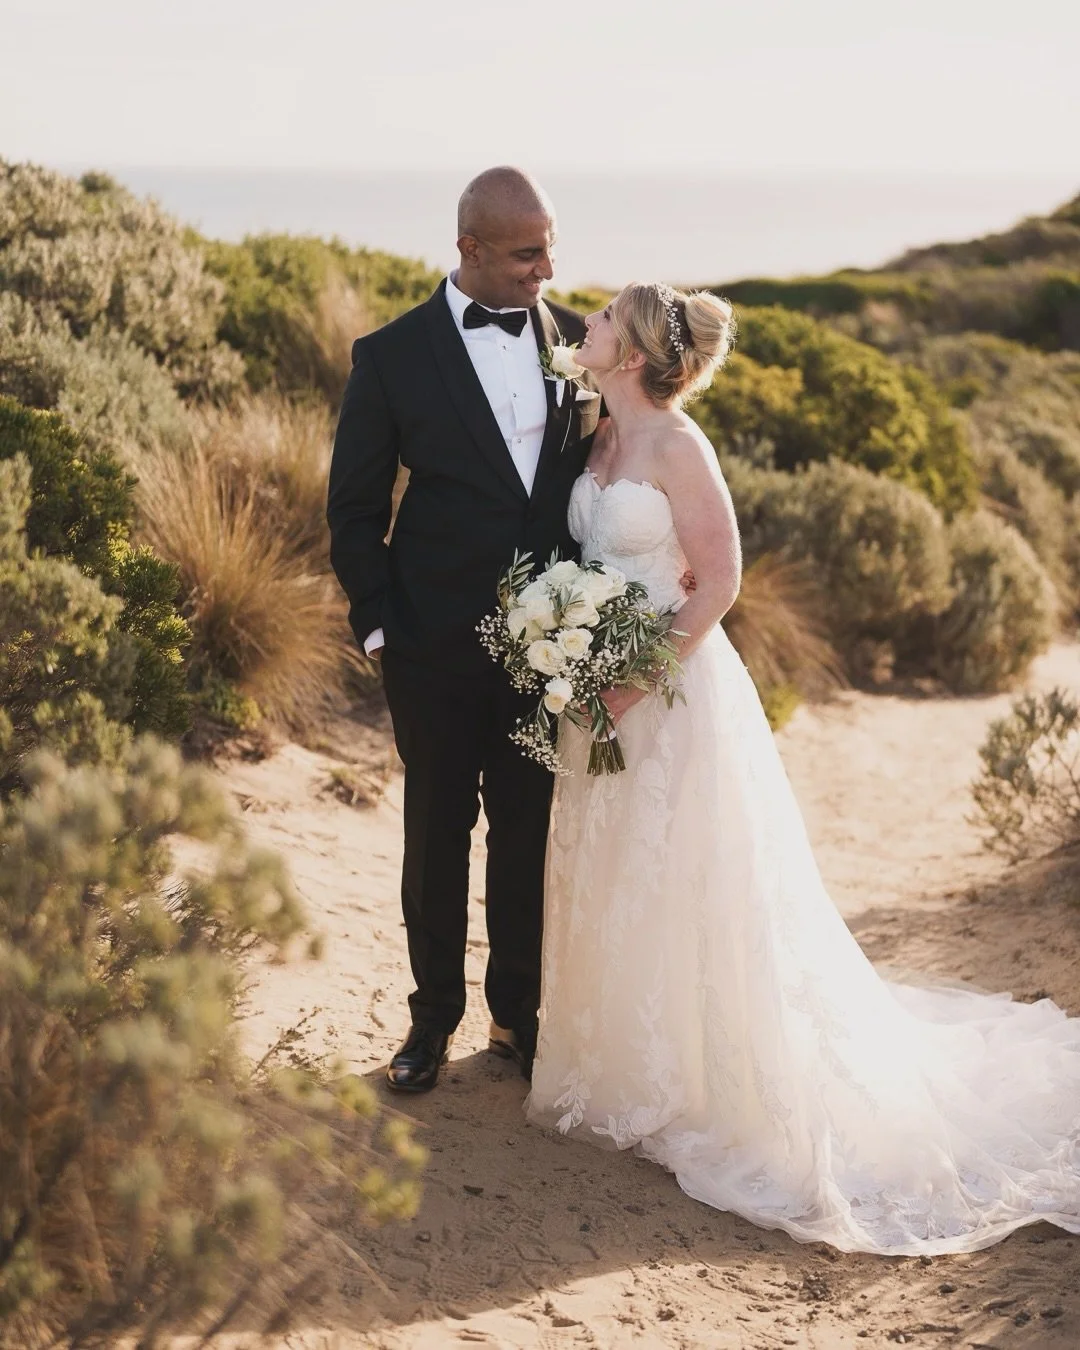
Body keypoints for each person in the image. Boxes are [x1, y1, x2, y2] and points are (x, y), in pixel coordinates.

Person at [525, 281, 1080, 1255]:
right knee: (613, 878)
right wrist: (569, 656)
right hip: (596, 689)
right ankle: (618, 1075)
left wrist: (630, 682)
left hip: (673, 697)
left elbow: (721, 581)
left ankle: (700, 1088)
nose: (588, 325)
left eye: (605, 318)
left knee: (689, 883)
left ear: (637, 351)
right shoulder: (594, 433)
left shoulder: (678, 447)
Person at [327, 167, 603, 1092]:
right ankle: (428, 1020)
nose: (547, 268)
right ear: (470, 251)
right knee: (437, 835)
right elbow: (354, 510)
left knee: (526, 835)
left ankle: (516, 1019)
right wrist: (378, 629)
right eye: (528, 253)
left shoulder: (577, 344)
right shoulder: (392, 356)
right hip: (431, 648)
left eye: (551, 246)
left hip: (547, 652)